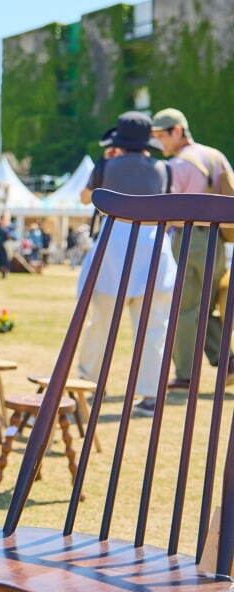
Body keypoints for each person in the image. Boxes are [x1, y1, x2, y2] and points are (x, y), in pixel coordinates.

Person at [76, 111, 176, 415]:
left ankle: (90, 383)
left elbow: (85, 198)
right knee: (153, 326)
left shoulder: (106, 165)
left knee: (102, 322)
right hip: (153, 245)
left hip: (115, 245)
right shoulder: (163, 169)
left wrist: (107, 166)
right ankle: (150, 394)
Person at [150, 107, 234, 389]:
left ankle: (185, 374)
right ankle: (227, 363)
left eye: (163, 135)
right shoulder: (215, 155)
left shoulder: (177, 165)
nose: (161, 142)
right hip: (219, 240)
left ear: (177, 130)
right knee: (205, 308)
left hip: (189, 238)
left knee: (185, 309)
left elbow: (169, 209)